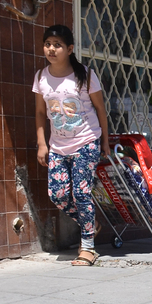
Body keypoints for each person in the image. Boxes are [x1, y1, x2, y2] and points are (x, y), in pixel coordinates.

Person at [34, 24, 110, 266]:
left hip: (86, 141)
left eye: (57, 45)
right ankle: (91, 224)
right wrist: (42, 144)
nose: (51, 49)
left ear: (69, 49)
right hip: (57, 146)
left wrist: (105, 141)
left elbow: (100, 109)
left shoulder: (85, 76)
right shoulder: (41, 77)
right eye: (47, 44)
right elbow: (40, 112)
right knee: (57, 194)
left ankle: (87, 248)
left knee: (81, 193)